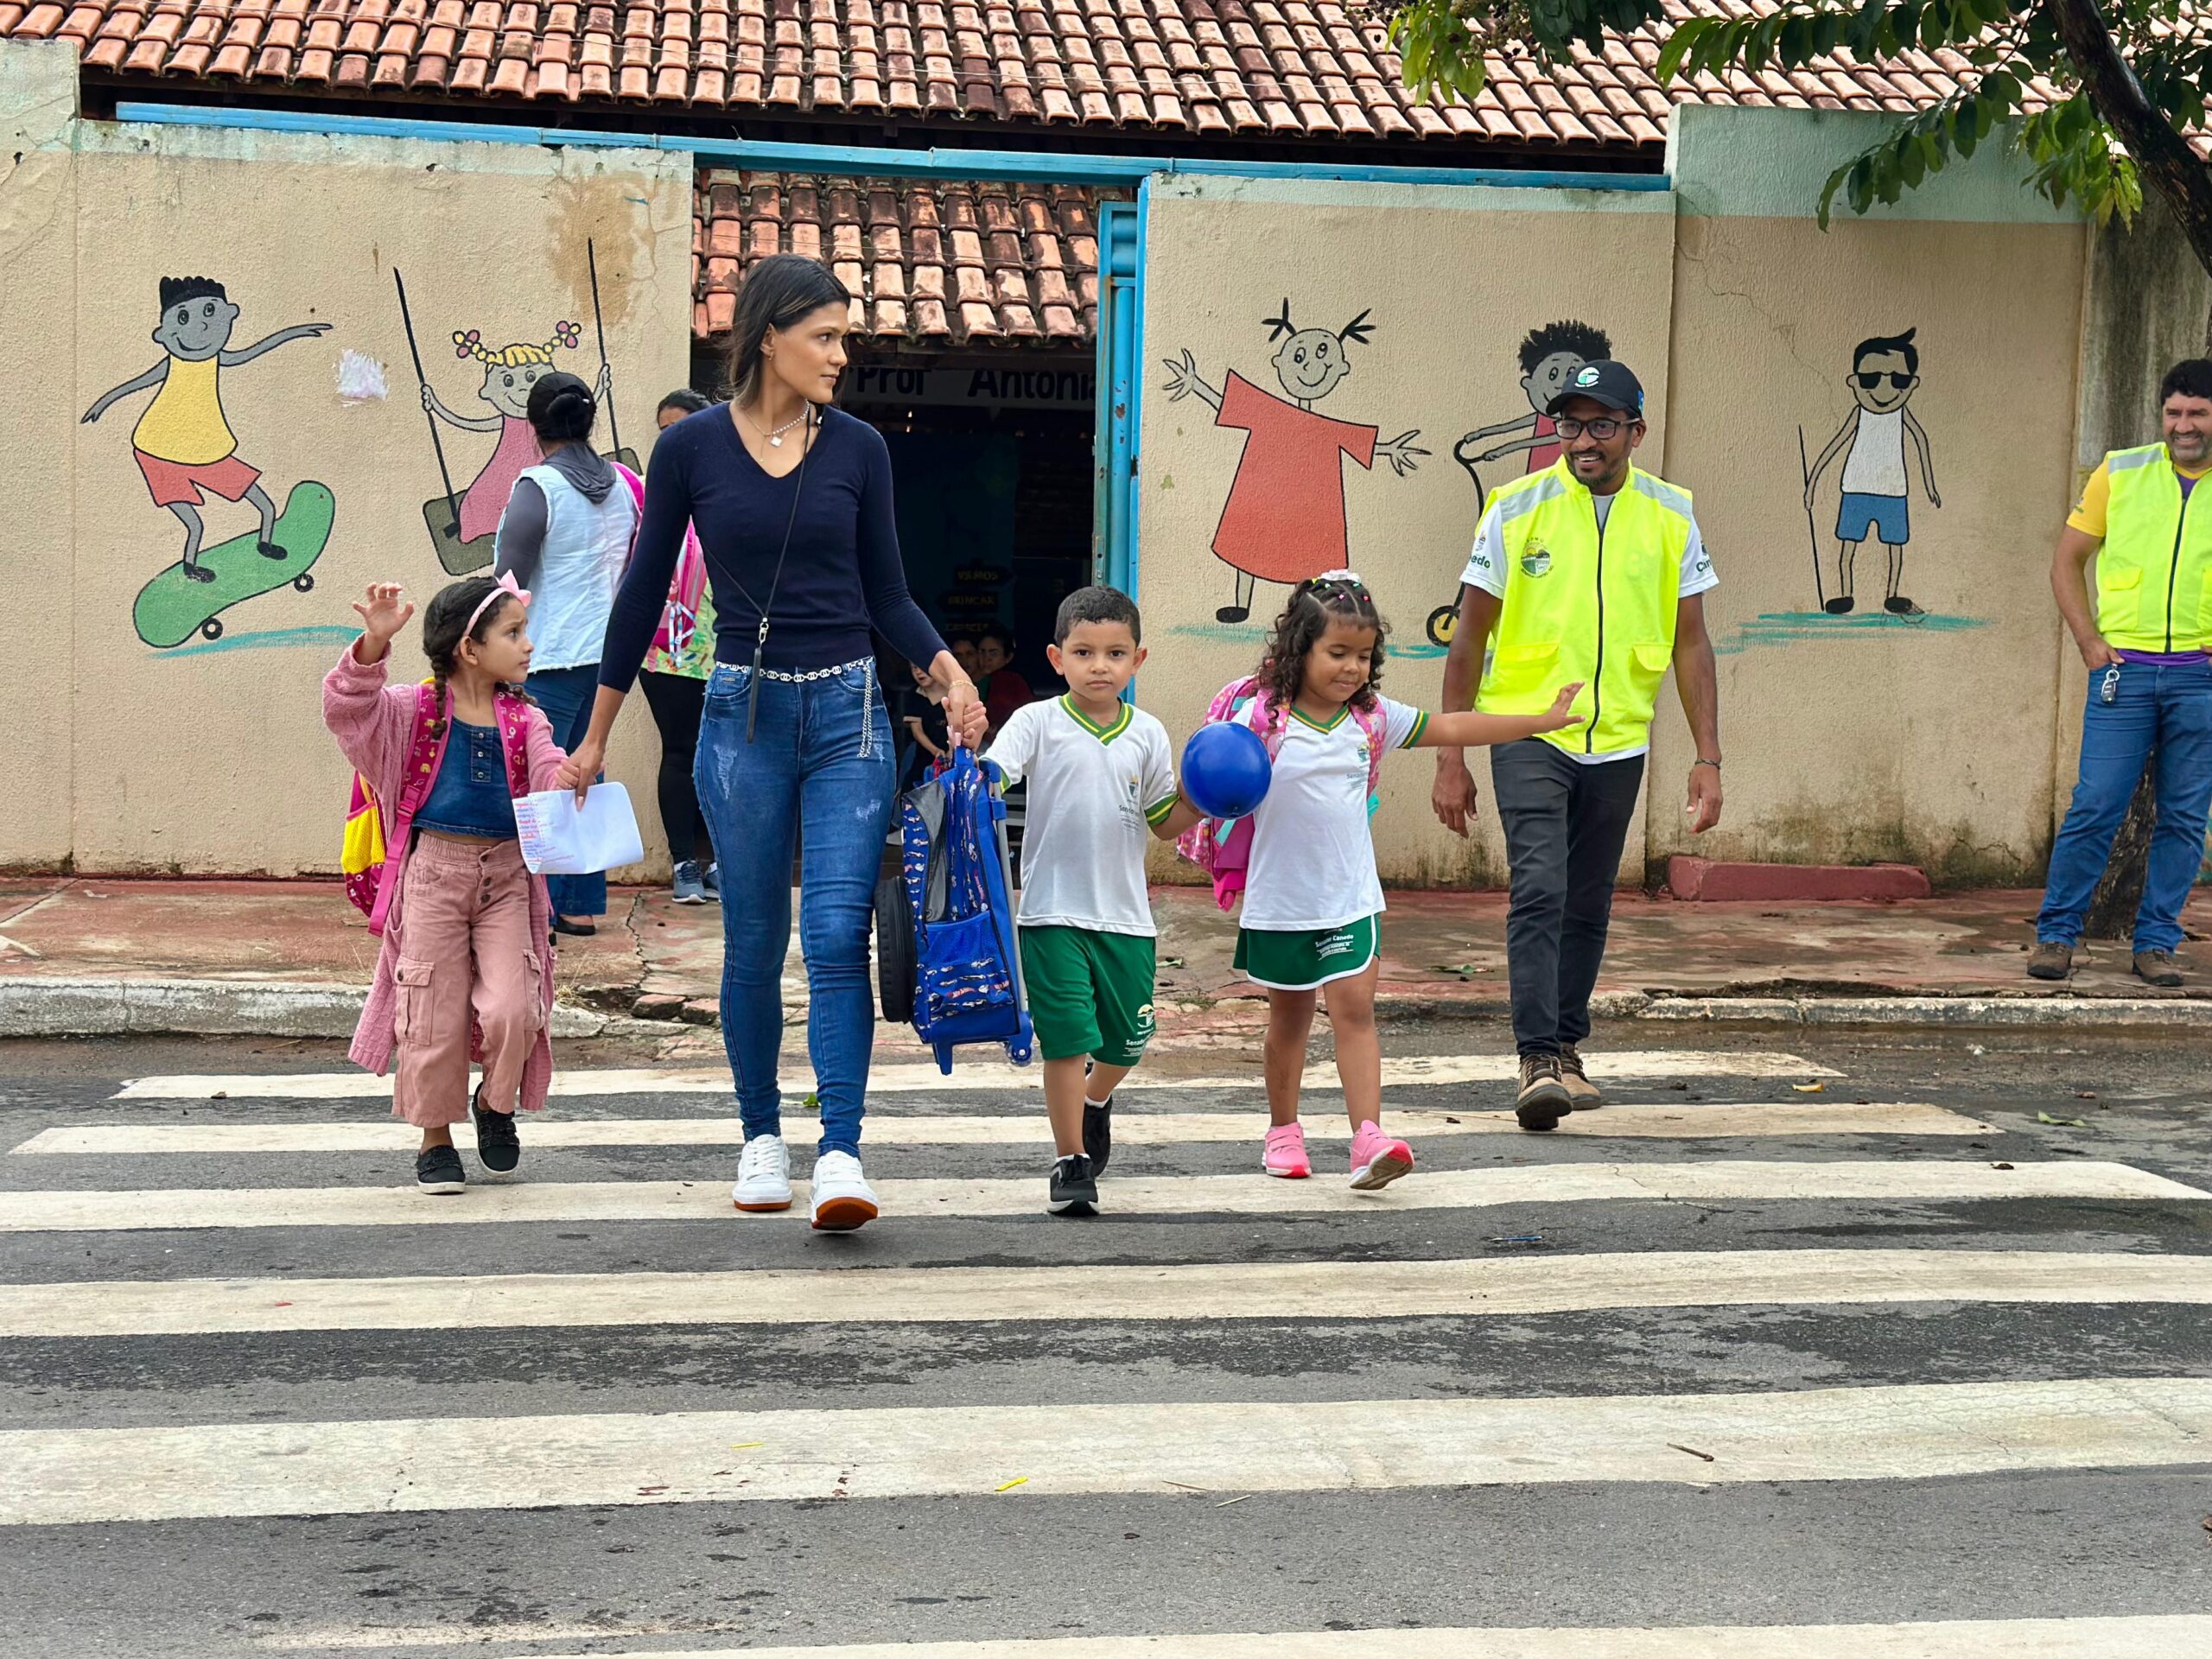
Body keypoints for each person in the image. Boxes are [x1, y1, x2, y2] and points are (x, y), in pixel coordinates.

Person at [559, 253, 984, 1232]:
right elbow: (639, 594)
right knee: (754, 940)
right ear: (768, 337)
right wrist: (593, 736)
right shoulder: (691, 450)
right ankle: (761, 1135)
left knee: (838, 936)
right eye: (826, 336)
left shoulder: (862, 449)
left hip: (848, 717)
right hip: (740, 718)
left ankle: (840, 1149)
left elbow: (886, 593)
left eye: (844, 336)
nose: (844, 354)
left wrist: (949, 674)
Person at [1432, 360, 1722, 1131]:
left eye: (1600, 425)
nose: (1582, 439)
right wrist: (1451, 755)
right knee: (1541, 887)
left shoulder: (1671, 513)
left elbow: (1692, 644)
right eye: (1569, 424)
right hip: (1525, 731)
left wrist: (1707, 756)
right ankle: (1536, 1059)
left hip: (1621, 737)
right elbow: (1469, 638)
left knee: (1589, 902)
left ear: (1635, 431)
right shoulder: (1515, 507)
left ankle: (1566, 1045)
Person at [1229, 574, 1580, 1186]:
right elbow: (1216, 776)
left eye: (1362, 656)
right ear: (1299, 649)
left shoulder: (1371, 719)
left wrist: (1540, 720)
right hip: (1281, 900)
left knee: (1355, 1011)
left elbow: (1453, 727)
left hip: (1350, 899)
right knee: (1288, 1023)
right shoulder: (1261, 718)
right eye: (1336, 653)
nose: (1350, 668)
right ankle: (1283, 1131)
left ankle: (1369, 1137)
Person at [322, 578, 569, 1193]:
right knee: (429, 1012)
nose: (527, 644)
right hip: (432, 874)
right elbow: (347, 711)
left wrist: (570, 775)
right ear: (469, 648)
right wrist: (373, 646)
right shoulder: (411, 710)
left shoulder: (527, 718)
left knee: (515, 1007)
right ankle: (435, 1136)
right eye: (512, 633)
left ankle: (494, 1103)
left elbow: (546, 770)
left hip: (509, 877)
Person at [983, 586, 1201, 1216]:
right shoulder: (1036, 721)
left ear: (1139, 660)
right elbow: (998, 772)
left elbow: (1163, 819)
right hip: (1051, 913)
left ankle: (1096, 1098)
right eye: (1084, 652)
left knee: (1127, 1043)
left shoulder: (1149, 734)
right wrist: (980, 768)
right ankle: (1070, 1162)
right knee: (1067, 1041)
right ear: (1057, 658)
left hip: (1127, 917)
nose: (1099, 665)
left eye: (1115, 653)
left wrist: (1211, 796)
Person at [2031, 359, 2212, 988]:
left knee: (2186, 817)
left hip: (2201, 679)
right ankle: (2056, 936)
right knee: (2097, 805)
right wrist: (2087, 639)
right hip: (2124, 673)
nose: (2183, 425)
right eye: (2174, 413)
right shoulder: (2122, 470)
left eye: (2197, 413)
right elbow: (2066, 560)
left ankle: (2156, 944)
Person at [494, 370, 639, 937]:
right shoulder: (625, 485)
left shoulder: (539, 486)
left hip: (547, 653)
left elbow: (509, 578)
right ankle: (577, 905)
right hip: (609, 657)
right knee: (586, 768)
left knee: (538, 776)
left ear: (535, 426)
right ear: (589, 421)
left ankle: (538, 908)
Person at [80, 275, 330, 579]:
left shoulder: (217, 358)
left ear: (230, 313)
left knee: (265, 506)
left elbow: (256, 350)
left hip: (208, 453)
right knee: (196, 524)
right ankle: (190, 566)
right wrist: (104, 402)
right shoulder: (172, 363)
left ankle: (265, 544)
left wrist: (295, 332)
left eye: (210, 312)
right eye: (183, 318)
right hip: (158, 454)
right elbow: (138, 383)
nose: (199, 327)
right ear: (163, 334)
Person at [637, 387, 720, 905]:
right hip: (663, 646)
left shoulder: (736, 487)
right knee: (680, 749)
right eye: (664, 431)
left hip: (729, 644)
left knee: (725, 757)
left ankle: (721, 865)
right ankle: (685, 864)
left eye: (681, 427)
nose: (672, 439)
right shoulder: (647, 494)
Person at [1802, 327, 1941, 616]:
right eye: (1870, 379)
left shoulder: (1901, 414)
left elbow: (1922, 441)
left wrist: (1930, 486)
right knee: (1848, 545)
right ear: (1854, 382)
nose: (1884, 389)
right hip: (1856, 488)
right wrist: (1812, 483)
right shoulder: (1859, 413)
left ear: (1912, 384)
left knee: (1894, 545)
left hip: (1893, 490)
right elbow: (1835, 444)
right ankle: (1845, 596)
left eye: (1898, 380)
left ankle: (1892, 596)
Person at [976, 622, 1033, 733]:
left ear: (1008, 657)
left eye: (993, 653)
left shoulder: (1013, 681)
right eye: (982, 652)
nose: (986, 658)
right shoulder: (973, 679)